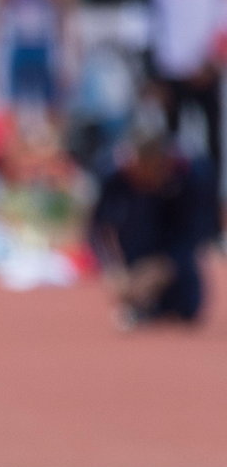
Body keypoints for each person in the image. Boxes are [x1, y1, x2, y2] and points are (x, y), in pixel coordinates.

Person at [144, 0, 226, 243]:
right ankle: (173, 222)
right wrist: (153, 73)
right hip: (170, 67)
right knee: (170, 148)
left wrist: (213, 55)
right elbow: (152, 16)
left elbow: (222, 6)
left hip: (204, 66)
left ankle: (210, 224)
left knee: (210, 146)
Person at [88, 129, 214, 328]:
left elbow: (197, 231)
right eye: (140, 168)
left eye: (152, 169)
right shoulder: (113, 172)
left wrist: (164, 266)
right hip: (137, 237)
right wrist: (112, 269)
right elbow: (96, 228)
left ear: (165, 163)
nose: (145, 176)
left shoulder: (192, 174)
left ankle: (157, 298)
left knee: (189, 310)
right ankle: (140, 301)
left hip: (174, 239)